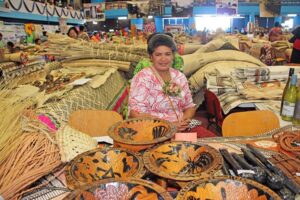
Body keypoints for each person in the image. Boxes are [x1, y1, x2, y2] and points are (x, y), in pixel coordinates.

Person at [128, 34, 196, 132]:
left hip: (181, 128)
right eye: (158, 55)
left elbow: (190, 107)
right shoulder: (143, 78)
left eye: (167, 54)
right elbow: (135, 114)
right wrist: (169, 125)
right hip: (154, 130)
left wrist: (183, 121)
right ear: (151, 57)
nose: (163, 59)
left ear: (173, 55)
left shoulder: (179, 77)